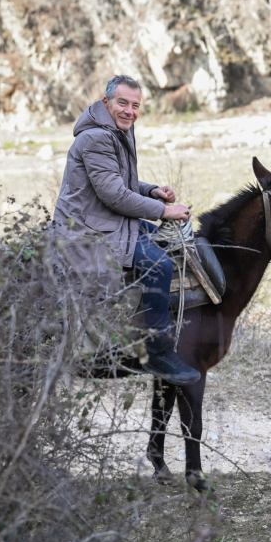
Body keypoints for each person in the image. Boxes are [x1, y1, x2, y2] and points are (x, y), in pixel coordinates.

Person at [52, 75, 200, 386]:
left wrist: (152, 192)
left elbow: (121, 183)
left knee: (168, 241)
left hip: (108, 218)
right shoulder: (96, 138)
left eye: (135, 105)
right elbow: (114, 195)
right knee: (159, 264)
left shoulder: (118, 130)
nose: (130, 111)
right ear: (105, 102)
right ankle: (157, 349)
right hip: (90, 227)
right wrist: (164, 210)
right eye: (123, 103)